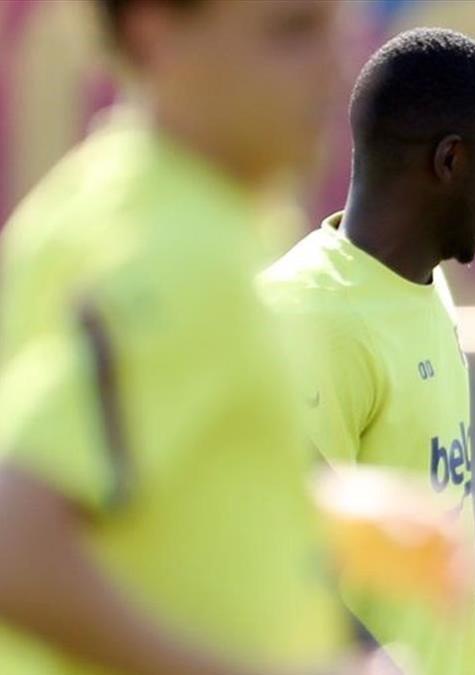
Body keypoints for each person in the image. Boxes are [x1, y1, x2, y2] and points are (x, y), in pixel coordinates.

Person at [0, 1, 375, 674]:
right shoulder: (177, 253)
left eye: (333, 27)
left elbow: (133, 483)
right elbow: (14, 539)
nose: (338, 67)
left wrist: (327, 514)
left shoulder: (107, 194)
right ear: (156, 33)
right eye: (291, 30)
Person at [259, 28, 475, 675]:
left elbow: (380, 551)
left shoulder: (422, 284)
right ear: (449, 161)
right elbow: (282, 553)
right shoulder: (311, 314)